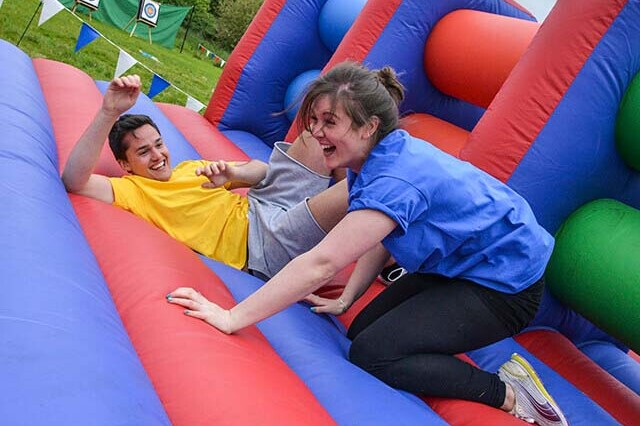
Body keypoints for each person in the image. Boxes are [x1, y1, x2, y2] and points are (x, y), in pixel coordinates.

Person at [166, 62, 568, 426]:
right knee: (361, 331)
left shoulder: (395, 177)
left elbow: (321, 263)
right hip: (463, 264)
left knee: (373, 355)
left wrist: (232, 317)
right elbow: (384, 231)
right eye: (315, 120)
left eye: (329, 122)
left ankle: (511, 392)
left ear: (368, 126)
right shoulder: (373, 159)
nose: (316, 132)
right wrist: (348, 298)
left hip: (506, 285)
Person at [62, 74, 348, 279]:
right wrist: (108, 111)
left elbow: (262, 171)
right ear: (125, 165)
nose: (158, 155)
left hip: (263, 205)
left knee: (316, 136)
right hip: (262, 246)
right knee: (351, 189)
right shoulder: (132, 190)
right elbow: (76, 181)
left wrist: (234, 173)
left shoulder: (190, 169)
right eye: (144, 152)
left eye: (159, 144)